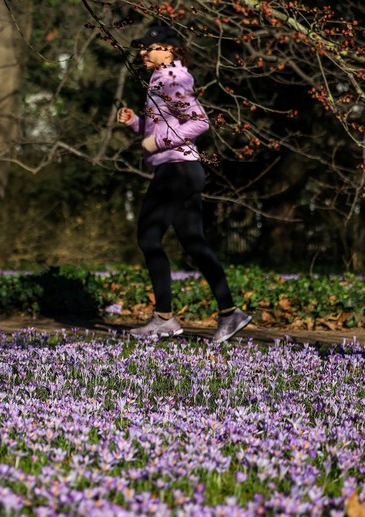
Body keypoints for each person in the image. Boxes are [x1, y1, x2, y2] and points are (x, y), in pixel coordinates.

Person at [116, 25, 251, 343]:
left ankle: (164, 318)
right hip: (185, 169)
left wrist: (156, 141)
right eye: (142, 48)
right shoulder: (160, 80)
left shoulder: (172, 79)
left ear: (170, 50)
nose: (143, 52)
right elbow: (164, 127)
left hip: (176, 171)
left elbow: (199, 121)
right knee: (194, 244)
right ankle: (231, 314)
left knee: (149, 239)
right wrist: (136, 123)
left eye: (150, 47)